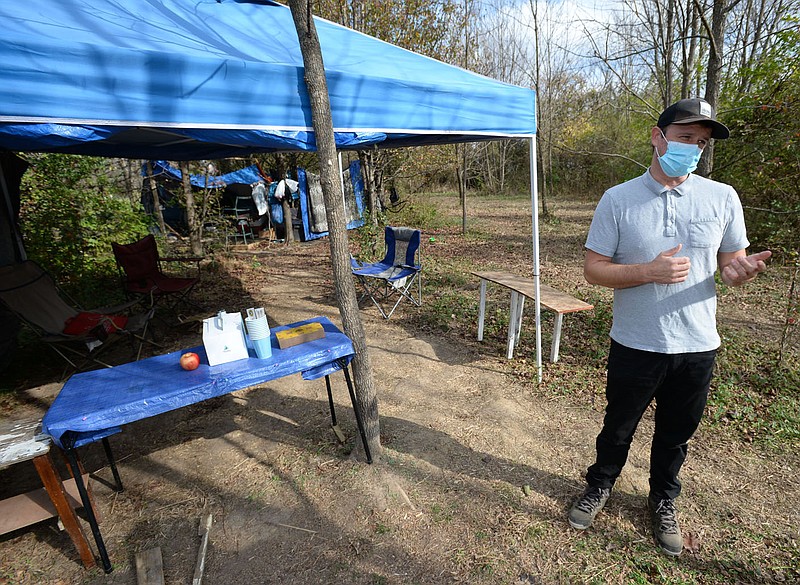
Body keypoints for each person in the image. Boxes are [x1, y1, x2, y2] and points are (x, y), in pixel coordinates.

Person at [568, 98, 771, 556]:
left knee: (676, 434)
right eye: (685, 137)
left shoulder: (723, 197)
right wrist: (646, 272)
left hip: (698, 344)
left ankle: (663, 499)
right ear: (657, 137)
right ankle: (600, 485)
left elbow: (730, 263)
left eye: (700, 143)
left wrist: (738, 272)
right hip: (636, 343)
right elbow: (593, 270)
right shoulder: (617, 199)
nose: (693, 149)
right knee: (618, 428)